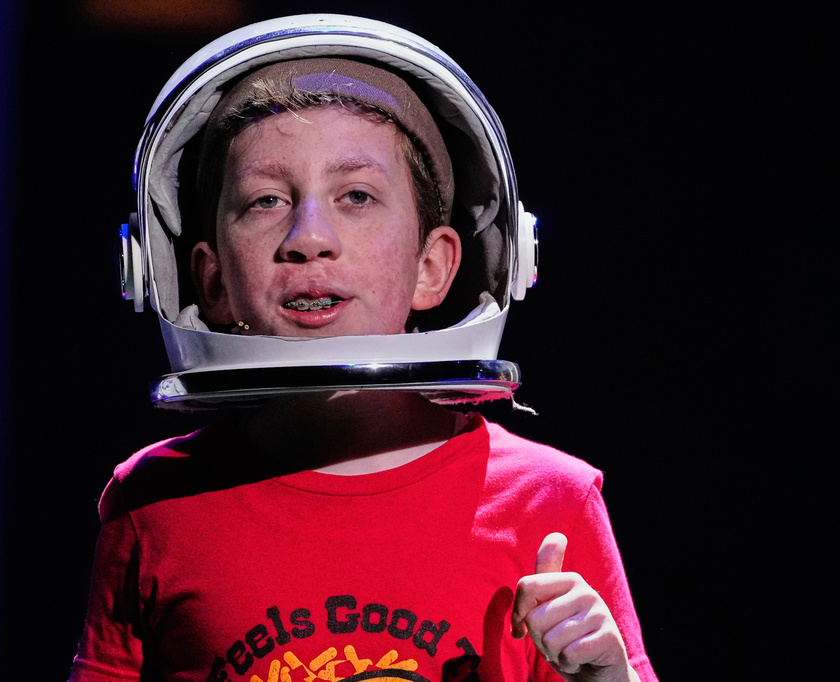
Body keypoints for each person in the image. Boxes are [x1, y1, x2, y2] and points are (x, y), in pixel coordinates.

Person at [72, 15, 656, 682]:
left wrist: (606, 675)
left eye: (356, 195)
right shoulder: (152, 503)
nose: (309, 236)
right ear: (210, 280)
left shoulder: (552, 502)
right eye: (266, 200)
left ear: (432, 267)